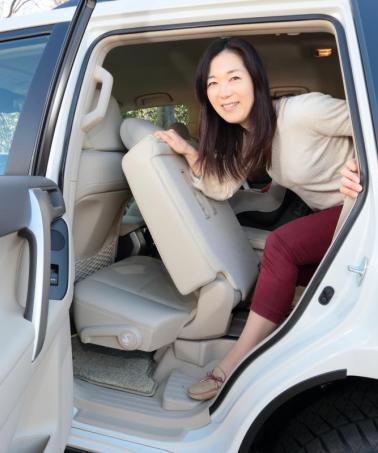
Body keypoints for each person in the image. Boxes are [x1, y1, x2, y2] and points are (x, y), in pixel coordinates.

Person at [153, 37, 363, 401]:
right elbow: (221, 188)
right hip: (336, 218)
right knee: (290, 273)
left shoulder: (302, 112)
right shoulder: (252, 138)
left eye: (233, 78)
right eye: (213, 83)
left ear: (256, 81)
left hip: (365, 209)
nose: (224, 92)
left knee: (280, 245)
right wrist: (188, 150)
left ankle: (236, 361)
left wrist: (361, 165)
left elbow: (377, 127)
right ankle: (285, 339)